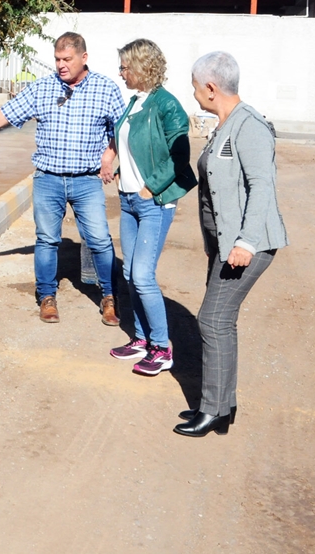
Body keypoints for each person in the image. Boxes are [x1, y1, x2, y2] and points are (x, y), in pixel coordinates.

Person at [0, 32, 124, 325]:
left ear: (84, 58)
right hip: (48, 179)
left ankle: (109, 297)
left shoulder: (106, 89)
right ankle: (47, 297)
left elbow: (121, 129)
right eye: (57, 59)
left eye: (67, 59)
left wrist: (108, 156)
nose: (61, 65)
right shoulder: (42, 88)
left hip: (87, 180)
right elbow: (7, 113)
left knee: (100, 240)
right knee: (46, 240)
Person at [174, 51, 288, 437]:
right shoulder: (225, 125)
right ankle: (222, 407)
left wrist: (246, 242)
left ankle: (213, 410)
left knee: (212, 319)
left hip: (245, 245)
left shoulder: (249, 126)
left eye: (194, 88)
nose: (193, 95)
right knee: (222, 322)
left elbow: (262, 190)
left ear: (210, 88)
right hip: (224, 243)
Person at [106, 39, 197, 376]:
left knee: (143, 276)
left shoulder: (167, 105)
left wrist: (149, 187)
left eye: (125, 67)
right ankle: (142, 340)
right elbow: (128, 147)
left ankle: (161, 348)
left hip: (153, 202)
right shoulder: (135, 101)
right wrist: (116, 168)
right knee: (130, 273)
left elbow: (178, 155)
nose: (121, 72)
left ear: (142, 67)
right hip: (129, 200)